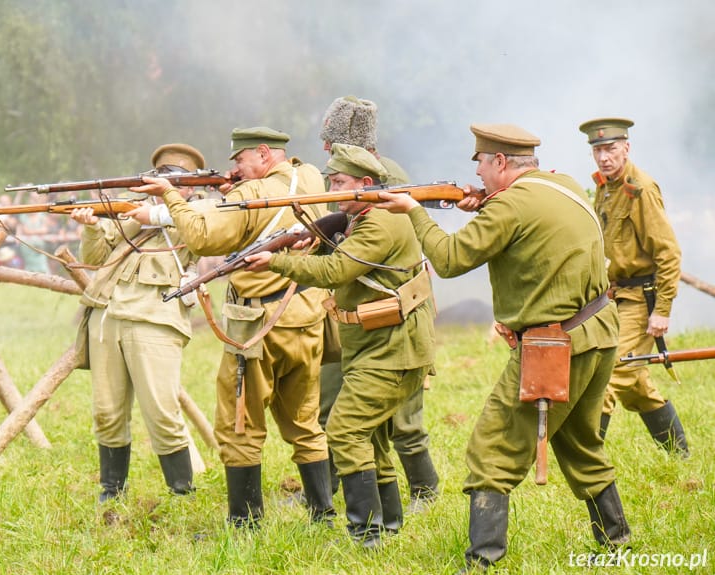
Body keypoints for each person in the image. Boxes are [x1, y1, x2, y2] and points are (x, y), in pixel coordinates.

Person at [375, 124, 630, 571]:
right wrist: (487, 205)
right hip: (599, 331)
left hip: (556, 345)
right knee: (578, 443)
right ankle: (618, 542)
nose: (478, 172)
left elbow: (450, 260)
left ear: (499, 163)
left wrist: (415, 211)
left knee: (490, 451)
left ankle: (483, 561)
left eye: (481, 163)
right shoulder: (563, 185)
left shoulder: (510, 204)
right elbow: (531, 230)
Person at [131, 127, 335, 529]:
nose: (235, 169)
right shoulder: (310, 175)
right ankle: (323, 514)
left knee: (239, 423)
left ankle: (245, 523)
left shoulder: (249, 196)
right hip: (306, 316)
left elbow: (203, 236)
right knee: (306, 421)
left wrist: (170, 196)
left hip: (256, 328)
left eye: (240, 161)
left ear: (262, 154)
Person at [245, 143, 436, 548]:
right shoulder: (366, 215)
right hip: (377, 345)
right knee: (372, 437)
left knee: (347, 431)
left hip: (392, 348)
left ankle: (365, 535)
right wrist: (310, 241)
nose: (333, 189)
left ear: (366, 184)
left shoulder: (379, 222)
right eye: (331, 180)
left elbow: (338, 270)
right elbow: (343, 254)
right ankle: (389, 524)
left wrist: (276, 261)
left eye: (341, 182)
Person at [318, 95, 440, 511]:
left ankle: (422, 491)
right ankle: (368, 504)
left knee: (403, 418)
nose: (326, 154)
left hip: (396, 307)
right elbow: (343, 222)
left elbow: (377, 235)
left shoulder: (385, 177)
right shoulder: (347, 180)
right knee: (351, 414)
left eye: (331, 143)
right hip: (365, 310)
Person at [70, 143, 208, 507]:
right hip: (108, 312)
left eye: (175, 179)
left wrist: (160, 210)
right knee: (107, 409)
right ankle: (112, 489)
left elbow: (205, 237)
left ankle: (182, 492)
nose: (166, 184)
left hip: (156, 316)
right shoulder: (133, 212)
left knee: (162, 410)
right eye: (161, 177)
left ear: (192, 186)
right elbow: (96, 259)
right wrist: (90, 228)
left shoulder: (199, 212)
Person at [578, 118, 688, 456]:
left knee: (609, 377)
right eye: (598, 150)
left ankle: (586, 461)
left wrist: (662, 311)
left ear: (626, 147)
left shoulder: (640, 188)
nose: (604, 157)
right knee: (635, 384)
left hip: (642, 299)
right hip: (617, 297)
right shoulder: (606, 187)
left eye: (610, 149)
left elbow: (668, 253)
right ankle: (679, 453)